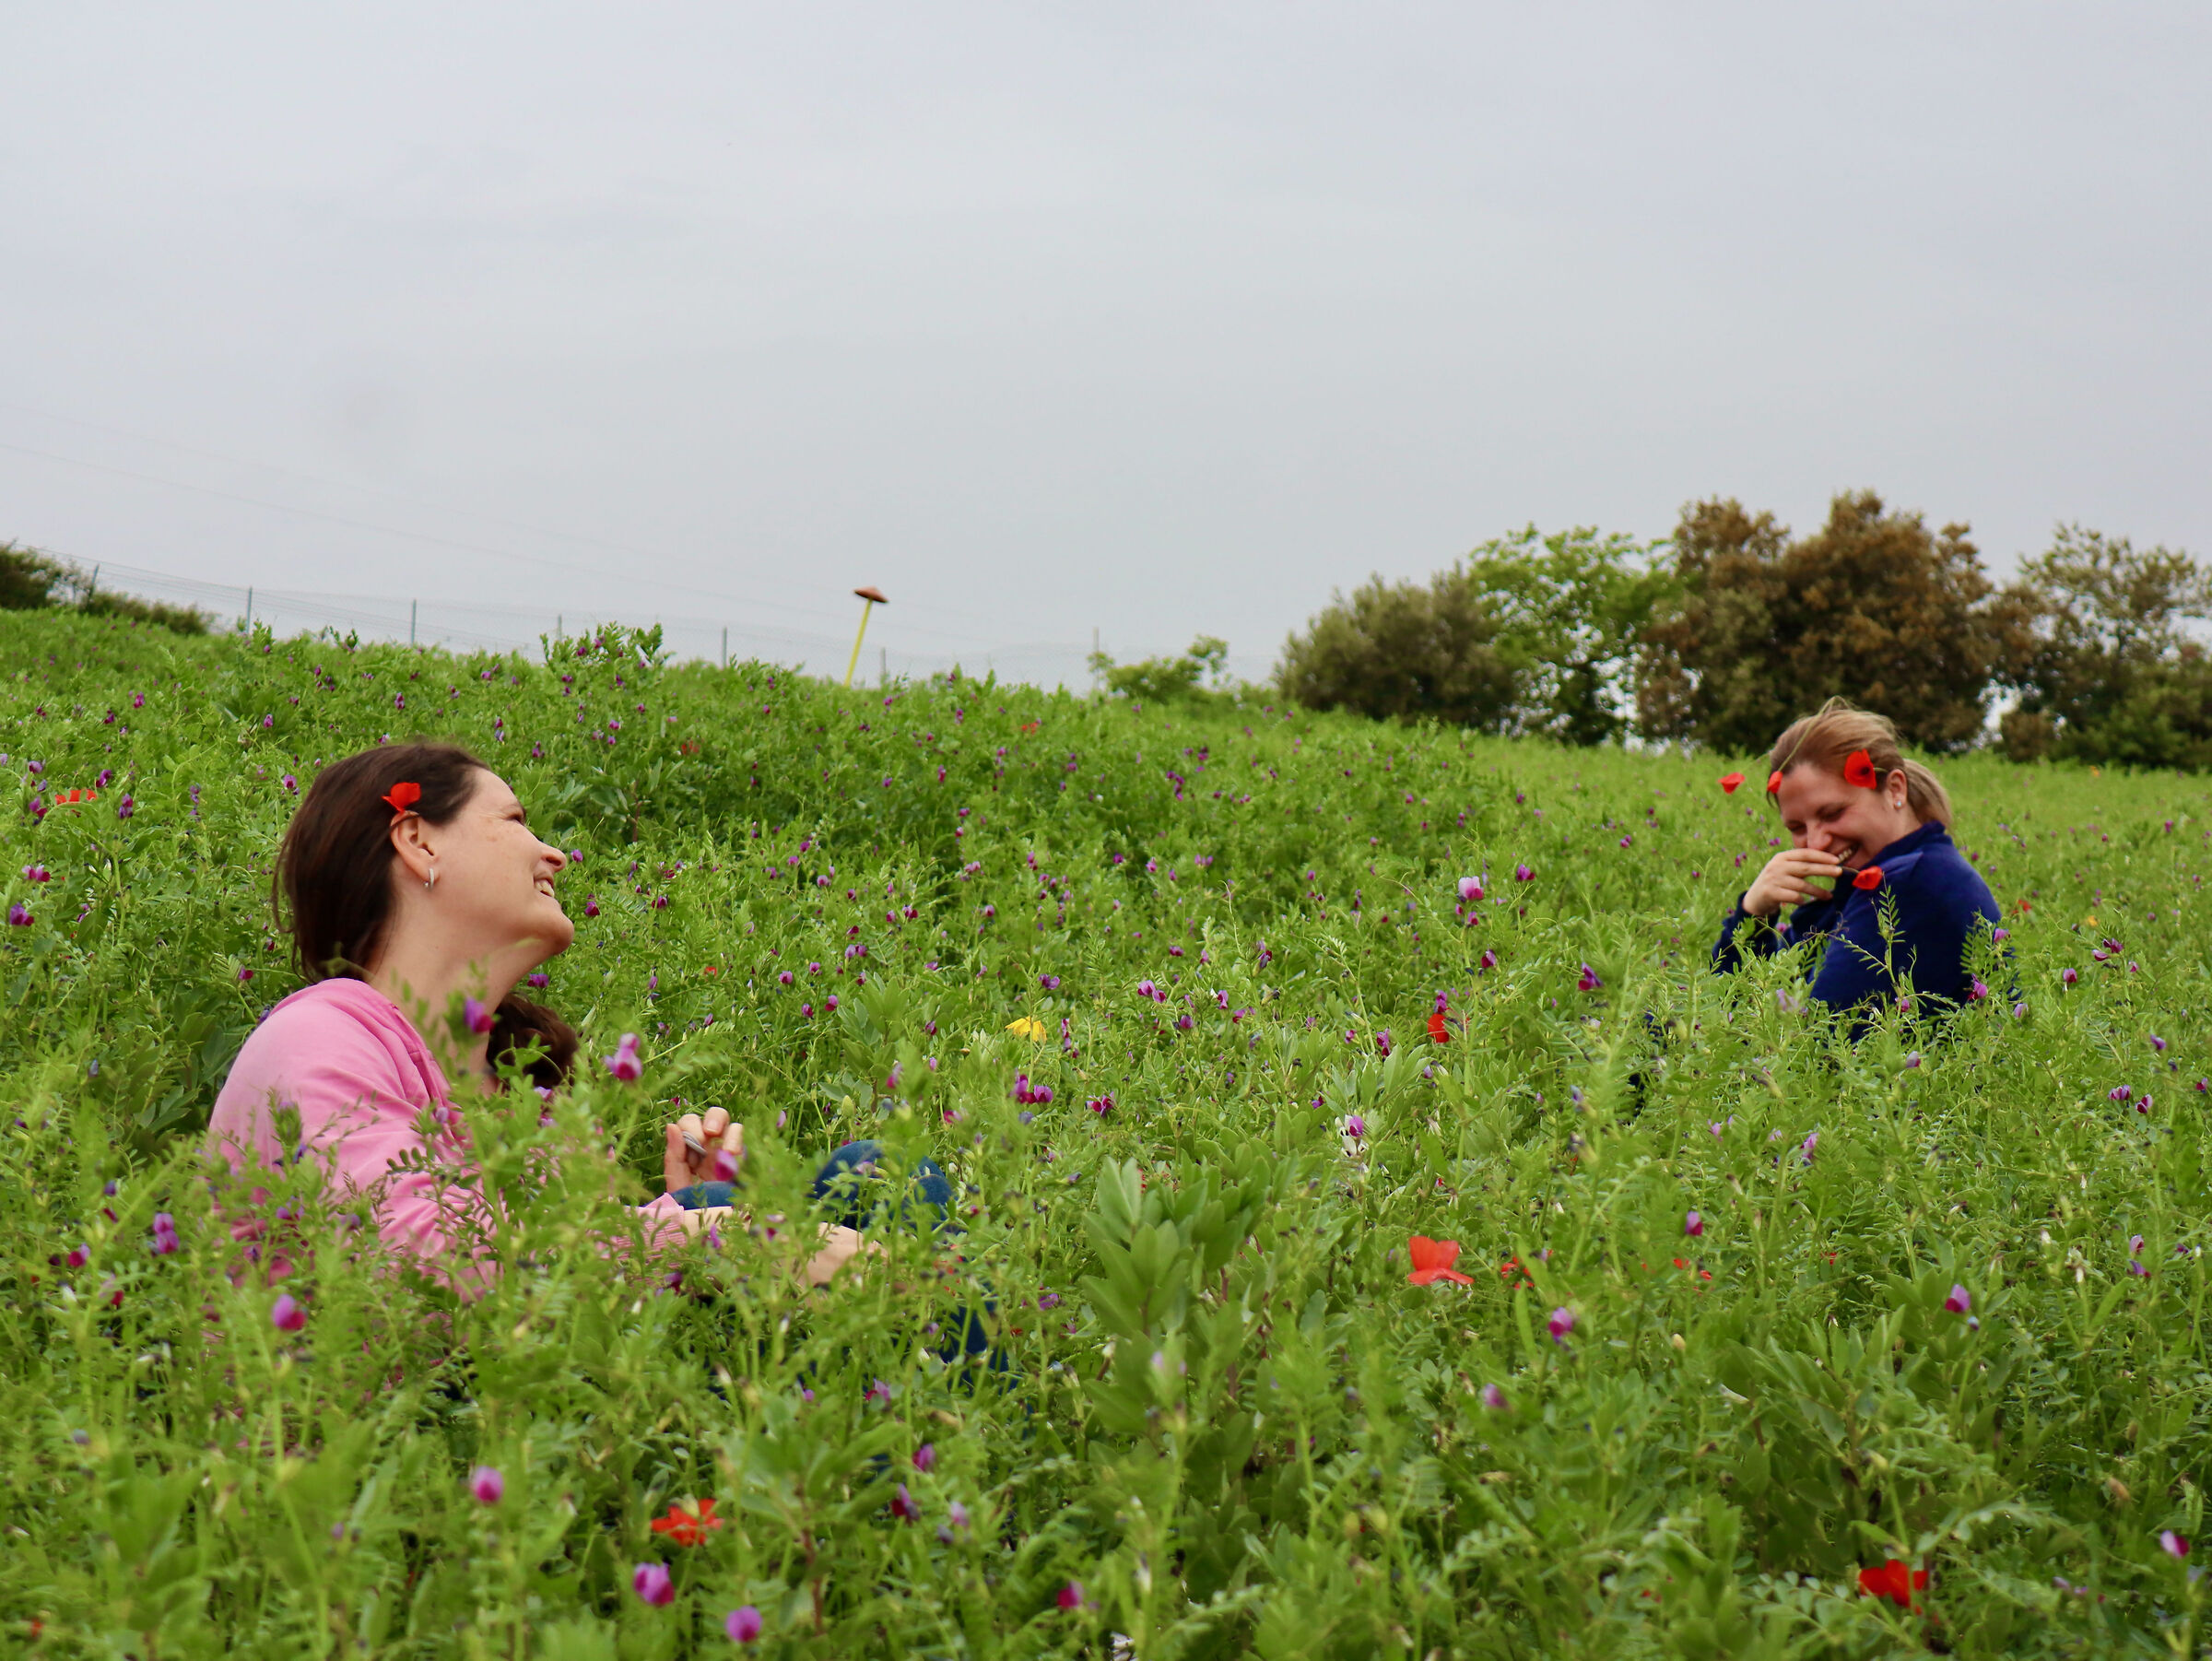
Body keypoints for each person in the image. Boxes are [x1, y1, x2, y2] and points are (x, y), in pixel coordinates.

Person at [206, 742, 873, 1286]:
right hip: (359, 1438)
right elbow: (424, 1268)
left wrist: (685, 1203)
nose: (553, 853)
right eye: (516, 820)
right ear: (418, 840)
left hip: (507, 1424)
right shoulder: (319, 1035)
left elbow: (571, 1302)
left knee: (879, 1172)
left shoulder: (533, 1098)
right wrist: (705, 1230)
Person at [1711, 701, 2001, 1022]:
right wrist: (1753, 915)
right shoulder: (1854, 891)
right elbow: (1726, 1011)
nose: (1817, 842)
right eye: (1796, 828)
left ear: (1894, 790)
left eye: (1832, 813)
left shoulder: (1909, 884)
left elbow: (1813, 1042)